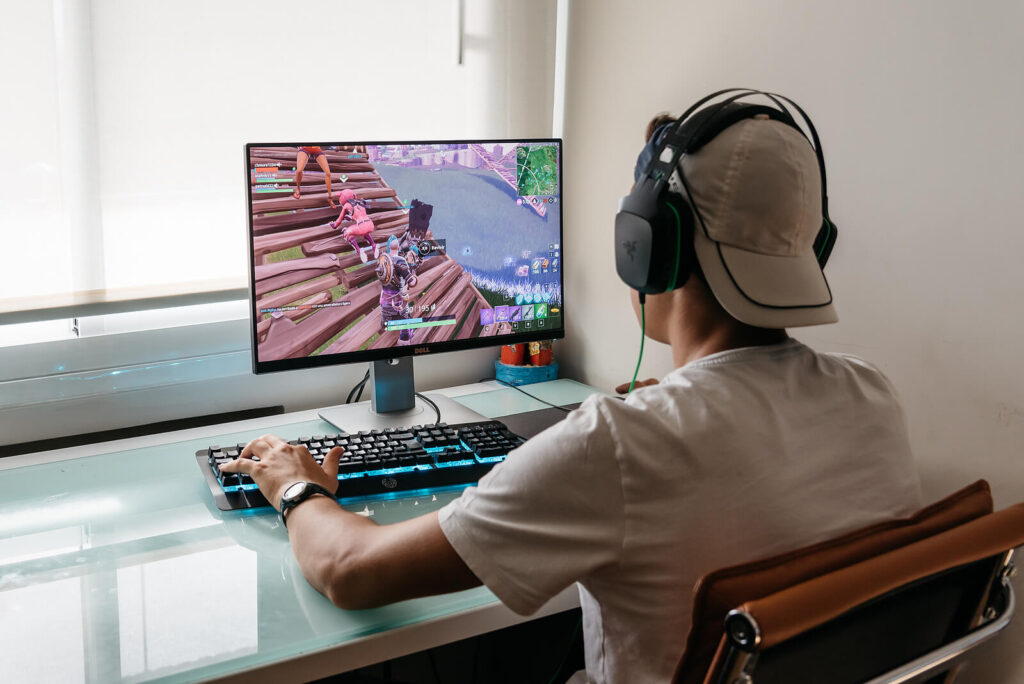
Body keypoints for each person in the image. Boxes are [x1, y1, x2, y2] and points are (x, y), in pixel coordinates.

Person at [221, 97, 922, 684]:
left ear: (645, 247)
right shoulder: (872, 397)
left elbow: (350, 570)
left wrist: (294, 486)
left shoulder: (621, 444)